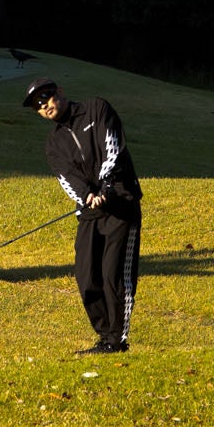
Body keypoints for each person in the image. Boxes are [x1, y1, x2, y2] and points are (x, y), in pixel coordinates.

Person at [24, 77, 142, 353]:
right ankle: (104, 336)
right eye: (37, 105)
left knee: (114, 274)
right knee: (86, 275)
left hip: (120, 202)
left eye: (46, 97)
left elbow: (113, 148)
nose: (44, 106)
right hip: (90, 210)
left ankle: (117, 340)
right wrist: (87, 196)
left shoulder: (96, 108)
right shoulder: (54, 145)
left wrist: (104, 186)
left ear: (60, 92)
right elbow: (68, 180)